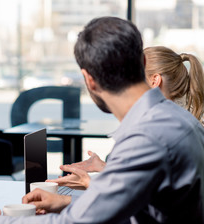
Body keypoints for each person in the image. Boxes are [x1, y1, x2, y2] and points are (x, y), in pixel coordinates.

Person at [0, 16, 204, 224]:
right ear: (141, 64)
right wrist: (65, 201)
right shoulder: (174, 119)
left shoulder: (148, 136)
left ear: (89, 80)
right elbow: (133, 207)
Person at [49, 46, 204, 189]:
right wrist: (104, 169)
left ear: (154, 81)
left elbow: (138, 196)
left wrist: (89, 183)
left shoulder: (160, 130)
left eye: (134, 78)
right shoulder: (182, 120)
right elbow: (148, 181)